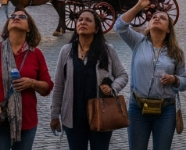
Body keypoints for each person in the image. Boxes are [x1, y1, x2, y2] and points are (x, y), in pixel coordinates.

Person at [115, 0, 186, 150]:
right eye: (154, 17)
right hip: (138, 108)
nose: (157, 18)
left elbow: (184, 83)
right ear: (148, 25)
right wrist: (138, 6)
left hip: (166, 110)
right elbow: (119, 26)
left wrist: (174, 79)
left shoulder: (176, 52)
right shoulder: (138, 42)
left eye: (162, 18)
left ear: (168, 29)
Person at [0, 9, 53, 150]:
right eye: (12, 16)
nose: (16, 17)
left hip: (27, 120)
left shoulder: (36, 54)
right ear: (7, 25)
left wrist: (32, 83)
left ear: (29, 28)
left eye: (22, 16)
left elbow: (47, 86)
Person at [50, 10, 128, 150]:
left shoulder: (107, 50)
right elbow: (59, 86)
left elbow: (122, 75)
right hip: (73, 117)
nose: (83, 22)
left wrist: (113, 88)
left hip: (101, 115)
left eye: (88, 20)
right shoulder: (66, 51)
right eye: (80, 20)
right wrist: (54, 115)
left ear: (96, 29)